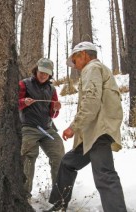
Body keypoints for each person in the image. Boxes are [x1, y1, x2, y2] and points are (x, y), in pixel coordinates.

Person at [43, 41, 127, 212]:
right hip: (92, 133)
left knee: (104, 175)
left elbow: (91, 101)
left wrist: (74, 127)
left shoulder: (92, 68)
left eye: (75, 61)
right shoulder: (96, 70)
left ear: (84, 55)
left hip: (99, 131)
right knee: (68, 163)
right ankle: (59, 205)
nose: (74, 65)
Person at [18, 58, 65, 199]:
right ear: (36, 70)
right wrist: (23, 102)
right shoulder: (24, 84)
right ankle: (24, 196)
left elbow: (52, 114)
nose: (43, 75)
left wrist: (56, 109)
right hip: (28, 128)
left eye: (47, 73)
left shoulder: (52, 89)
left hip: (47, 129)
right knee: (28, 157)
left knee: (59, 155)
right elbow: (13, 103)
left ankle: (58, 195)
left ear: (50, 74)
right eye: (41, 72)